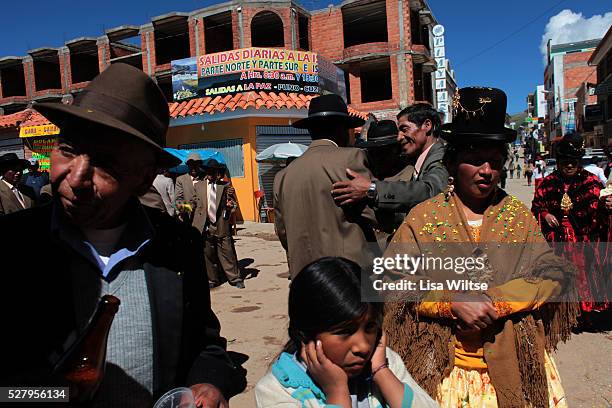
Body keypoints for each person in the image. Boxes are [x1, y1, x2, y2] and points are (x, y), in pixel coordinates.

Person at [0, 63, 240, 408]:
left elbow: (204, 345)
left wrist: (210, 382)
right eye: (67, 150)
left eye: (105, 163)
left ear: (143, 180)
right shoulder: (11, 246)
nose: (76, 177)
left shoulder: (177, 246)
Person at [383, 87, 577, 407]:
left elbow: (553, 274)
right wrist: (450, 302)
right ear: (452, 162)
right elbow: (391, 281)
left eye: (495, 162)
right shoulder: (423, 218)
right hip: (444, 368)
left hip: (513, 362)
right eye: (474, 161)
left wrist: (498, 301)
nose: (486, 171)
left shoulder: (517, 215)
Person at [255, 257, 437, 407]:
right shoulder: (276, 392)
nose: (363, 347)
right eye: (345, 332)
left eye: (370, 327)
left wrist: (382, 373)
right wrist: (337, 393)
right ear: (306, 334)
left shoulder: (384, 363)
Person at [273, 94, 377, 278]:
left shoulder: (283, 176)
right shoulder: (352, 158)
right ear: (340, 130)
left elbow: (282, 232)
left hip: (305, 276)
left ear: (311, 131)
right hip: (349, 274)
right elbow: (372, 215)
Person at [532, 132, 609, 315]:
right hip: (555, 240)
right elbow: (536, 206)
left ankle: (583, 311)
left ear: (578, 162)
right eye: (565, 162)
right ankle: (561, 312)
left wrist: (606, 206)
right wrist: (545, 214)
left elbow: (601, 209)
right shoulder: (547, 183)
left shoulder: (591, 182)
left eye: (573, 162)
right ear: (558, 163)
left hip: (583, 239)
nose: (569, 166)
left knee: (583, 273)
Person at [331, 103, 448, 214]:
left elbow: (431, 191)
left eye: (404, 129)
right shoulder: (421, 159)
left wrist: (372, 189)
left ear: (427, 125)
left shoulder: (442, 158)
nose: (399, 137)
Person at [357, 120, 414, 246]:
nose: (379, 157)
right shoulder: (365, 175)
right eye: (374, 152)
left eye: (384, 152)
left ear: (396, 150)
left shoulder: (410, 175)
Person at [193, 160, 244, 289]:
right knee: (207, 253)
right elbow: (193, 204)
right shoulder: (199, 186)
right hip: (205, 225)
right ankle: (212, 279)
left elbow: (233, 205)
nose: (210, 173)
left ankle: (235, 278)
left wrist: (230, 206)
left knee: (227, 252)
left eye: (213, 171)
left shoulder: (225, 186)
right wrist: (181, 209)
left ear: (217, 173)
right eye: (208, 171)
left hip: (221, 224)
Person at [175, 152, 203, 222]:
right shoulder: (181, 180)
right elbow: (178, 201)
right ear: (188, 165)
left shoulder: (205, 178)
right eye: (191, 164)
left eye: (196, 164)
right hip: (188, 219)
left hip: (203, 219)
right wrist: (189, 208)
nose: (193, 167)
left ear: (200, 165)